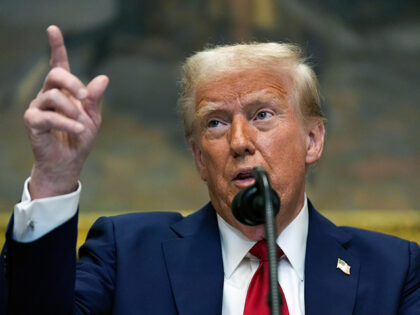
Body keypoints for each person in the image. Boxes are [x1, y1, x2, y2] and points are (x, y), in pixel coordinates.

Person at [0, 25, 419, 315]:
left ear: (313, 140)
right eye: (215, 122)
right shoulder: (128, 255)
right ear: (200, 157)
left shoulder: (393, 269)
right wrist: (53, 178)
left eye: (262, 115)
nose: (238, 141)